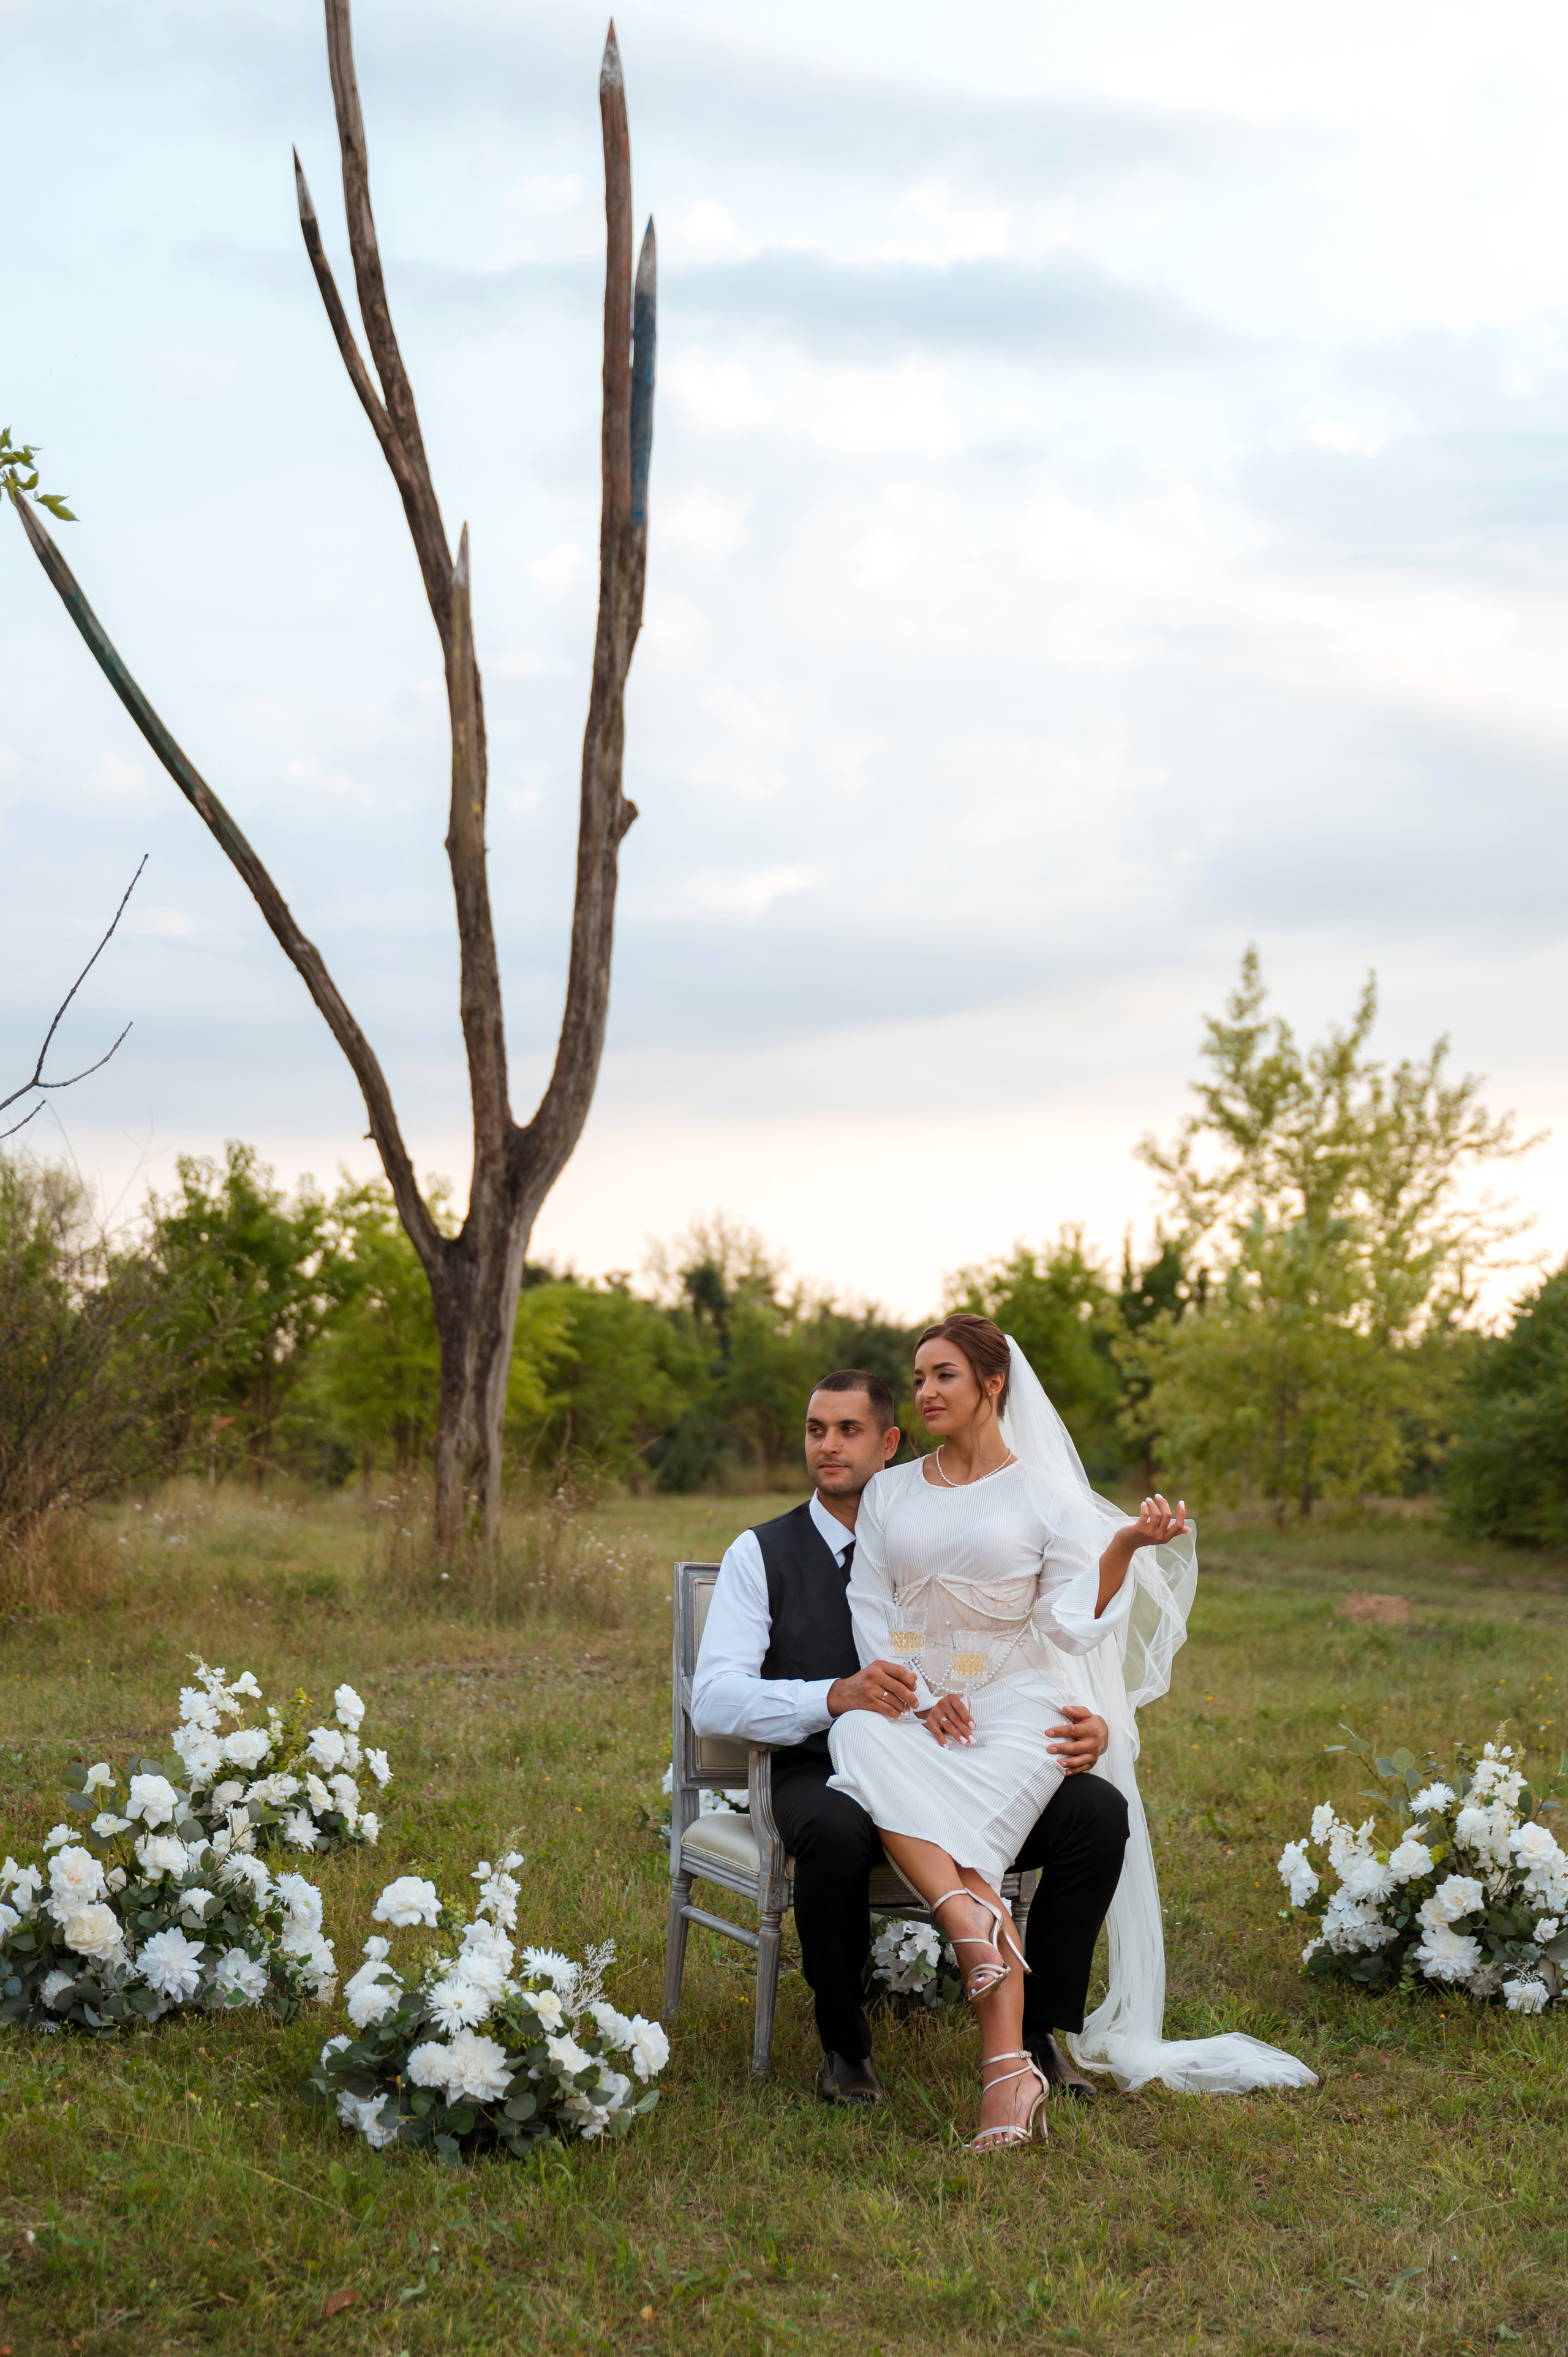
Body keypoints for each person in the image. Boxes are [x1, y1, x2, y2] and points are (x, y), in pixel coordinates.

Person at [828, 1314, 1316, 2153]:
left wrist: (1124, 1544)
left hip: (1017, 1702)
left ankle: (997, 2019)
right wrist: (919, 1696)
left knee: (1022, 1781)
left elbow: (1068, 1621)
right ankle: (988, 1978)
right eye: (918, 1377)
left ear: (993, 1382)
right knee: (860, 1739)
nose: (926, 1391)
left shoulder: (1046, 1495)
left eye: (944, 1374)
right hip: (917, 1699)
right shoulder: (891, 1491)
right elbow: (871, 1611)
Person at [690, 1366, 1131, 2109]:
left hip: (965, 1759)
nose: (827, 1446)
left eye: (849, 1430)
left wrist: (1089, 1718)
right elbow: (714, 1700)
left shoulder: (966, 1534)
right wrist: (832, 1695)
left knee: (1096, 1811)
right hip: (825, 1768)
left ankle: (1039, 2033)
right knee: (832, 1830)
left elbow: (1030, 1640)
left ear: (889, 1442)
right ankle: (846, 2046)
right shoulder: (759, 1554)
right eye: (814, 1429)